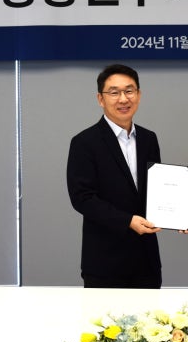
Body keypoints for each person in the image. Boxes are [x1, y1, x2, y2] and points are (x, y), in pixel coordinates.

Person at [66, 64, 162, 288]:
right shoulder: (84, 142)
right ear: (100, 99)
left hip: (146, 261)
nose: (123, 99)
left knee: (151, 312)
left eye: (129, 91)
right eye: (114, 92)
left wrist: (183, 215)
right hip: (104, 262)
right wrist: (127, 221)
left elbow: (158, 190)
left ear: (139, 95)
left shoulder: (149, 139)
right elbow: (82, 198)